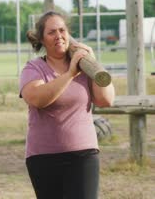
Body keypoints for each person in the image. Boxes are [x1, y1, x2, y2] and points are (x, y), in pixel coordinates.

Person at [20, 11, 115, 199]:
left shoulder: (84, 66)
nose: (58, 36)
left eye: (62, 30)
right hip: (43, 158)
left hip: (83, 154)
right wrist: (70, 74)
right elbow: (38, 98)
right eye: (51, 32)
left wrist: (92, 62)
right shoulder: (34, 68)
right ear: (42, 39)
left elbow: (106, 100)